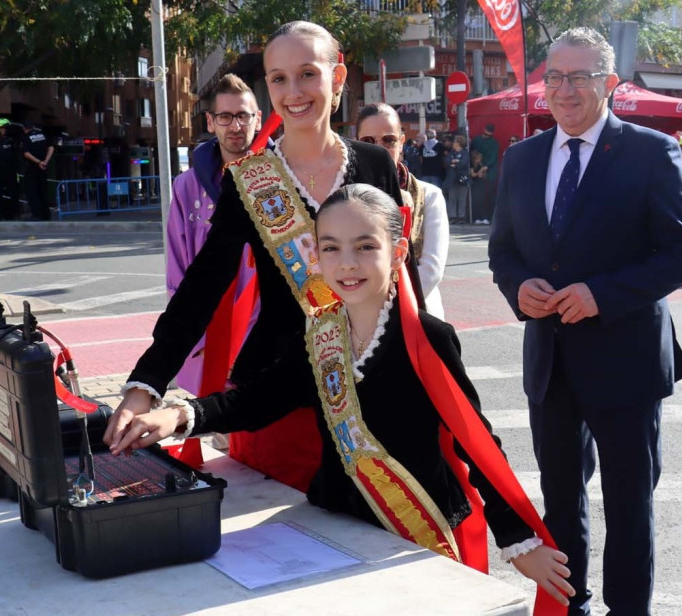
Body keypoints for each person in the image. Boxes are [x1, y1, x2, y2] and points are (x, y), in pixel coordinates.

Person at [111, 183, 574, 616]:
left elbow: (476, 439)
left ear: (397, 251)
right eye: (330, 247)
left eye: (365, 246)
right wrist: (180, 416)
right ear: (315, 255)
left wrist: (519, 541)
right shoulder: (320, 334)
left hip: (415, 539)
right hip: (340, 527)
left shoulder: (427, 337)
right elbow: (258, 399)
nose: (347, 263)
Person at [488, 27, 682, 616]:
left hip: (625, 359)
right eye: (554, 77)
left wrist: (601, 294)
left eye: (580, 77)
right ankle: (567, 606)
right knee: (559, 497)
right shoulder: (523, 158)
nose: (564, 90)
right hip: (550, 357)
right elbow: (503, 251)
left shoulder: (649, 152)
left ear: (610, 85)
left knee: (629, 500)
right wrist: (517, 288)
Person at [104, 21, 403, 496]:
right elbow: (202, 287)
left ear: (338, 77)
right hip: (278, 399)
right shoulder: (248, 180)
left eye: (308, 74)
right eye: (279, 78)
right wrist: (146, 385)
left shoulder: (375, 164)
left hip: (373, 390)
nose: (294, 92)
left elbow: (401, 284)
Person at [167, 73, 261, 396]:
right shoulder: (187, 186)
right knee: (215, 418)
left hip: (265, 333)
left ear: (258, 118)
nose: (235, 126)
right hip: (209, 335)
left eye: (243, 116)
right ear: (210, 121)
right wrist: (194, 334)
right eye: (225, 116)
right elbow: (177, 267)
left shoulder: (280, 179)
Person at [356, 102, 449, 318]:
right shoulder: (345, 195)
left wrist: (385, 309)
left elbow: (431, 270)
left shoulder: (429, 195)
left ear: (401, 142)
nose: (379, 149)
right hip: (358, 316)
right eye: (368, 141)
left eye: (388, 140)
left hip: (417, 311)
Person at [21, 120, 52, 220]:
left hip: (32, 169)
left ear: (24, 128)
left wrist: (38, 162)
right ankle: (46, 215)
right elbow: (51, 148)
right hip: (43, 169)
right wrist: (45, 161)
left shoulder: (26, 138)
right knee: (43, 192)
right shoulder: (43, 135)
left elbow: (26, 154)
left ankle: (36, 215)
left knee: (32, 192)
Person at [470, 123, 499, 223]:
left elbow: (493, 158)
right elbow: (471, 153)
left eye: (489, 135)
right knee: (478, 196)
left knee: (489, 196)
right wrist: (473, 169)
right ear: (483, 130)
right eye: (486, 134)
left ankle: (489, 218)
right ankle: (477, 217)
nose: (487, 136)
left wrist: (484, 168)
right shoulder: (476, 140)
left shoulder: (494, 143)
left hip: (489, 173)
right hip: (477, 171)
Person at [444, 134, 470, 224]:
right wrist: (454, 161)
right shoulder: (452, 152)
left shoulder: (464, 153)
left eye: (455, 142)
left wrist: (455, 164)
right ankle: (452, 216)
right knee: (452, 198)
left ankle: (461, 217)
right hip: (452, 179)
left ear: (459, 143)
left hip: (462, 179)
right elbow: (447, 161)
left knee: (462, 198)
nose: (453, 143)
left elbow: (464, 163)